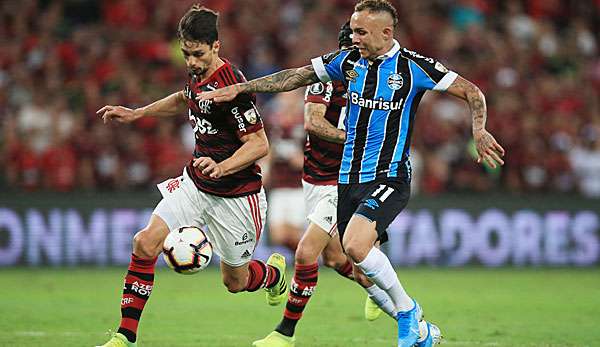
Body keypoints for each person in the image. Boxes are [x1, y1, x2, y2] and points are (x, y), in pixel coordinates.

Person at [199, 1, 505, 346]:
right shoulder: (347, 63)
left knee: (352, 247)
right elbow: (296, 76)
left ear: (386, 32)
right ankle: (419, 328)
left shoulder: (413, 67)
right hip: (347, 179)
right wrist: (243, 88)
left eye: (361, 31)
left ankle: (405, 312)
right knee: (350, 260)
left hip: (389, 175)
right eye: (353, 30)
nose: (354, 37)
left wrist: (478, 130)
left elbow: (471, 91)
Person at [95, 5, 288, 347]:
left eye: (198, 54)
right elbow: (185, 99)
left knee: (235, 282)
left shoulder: (232, 87)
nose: (191, 62)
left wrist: (223, 166)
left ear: (216, 46)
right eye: (186, 53)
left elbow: (259, 144)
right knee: (144, 242)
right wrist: (138, 112)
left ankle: (273, 275)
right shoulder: (196, 73)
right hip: (196, 185)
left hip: (237, 195)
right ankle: (125, 336)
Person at [252, 21, 442, 347]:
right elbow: (312, 121)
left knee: (306, 251)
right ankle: (420, 328)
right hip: (311, 179)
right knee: (341, 263)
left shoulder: (379, 86)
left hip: (339, 181)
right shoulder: (328, 78)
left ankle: (285, 333)